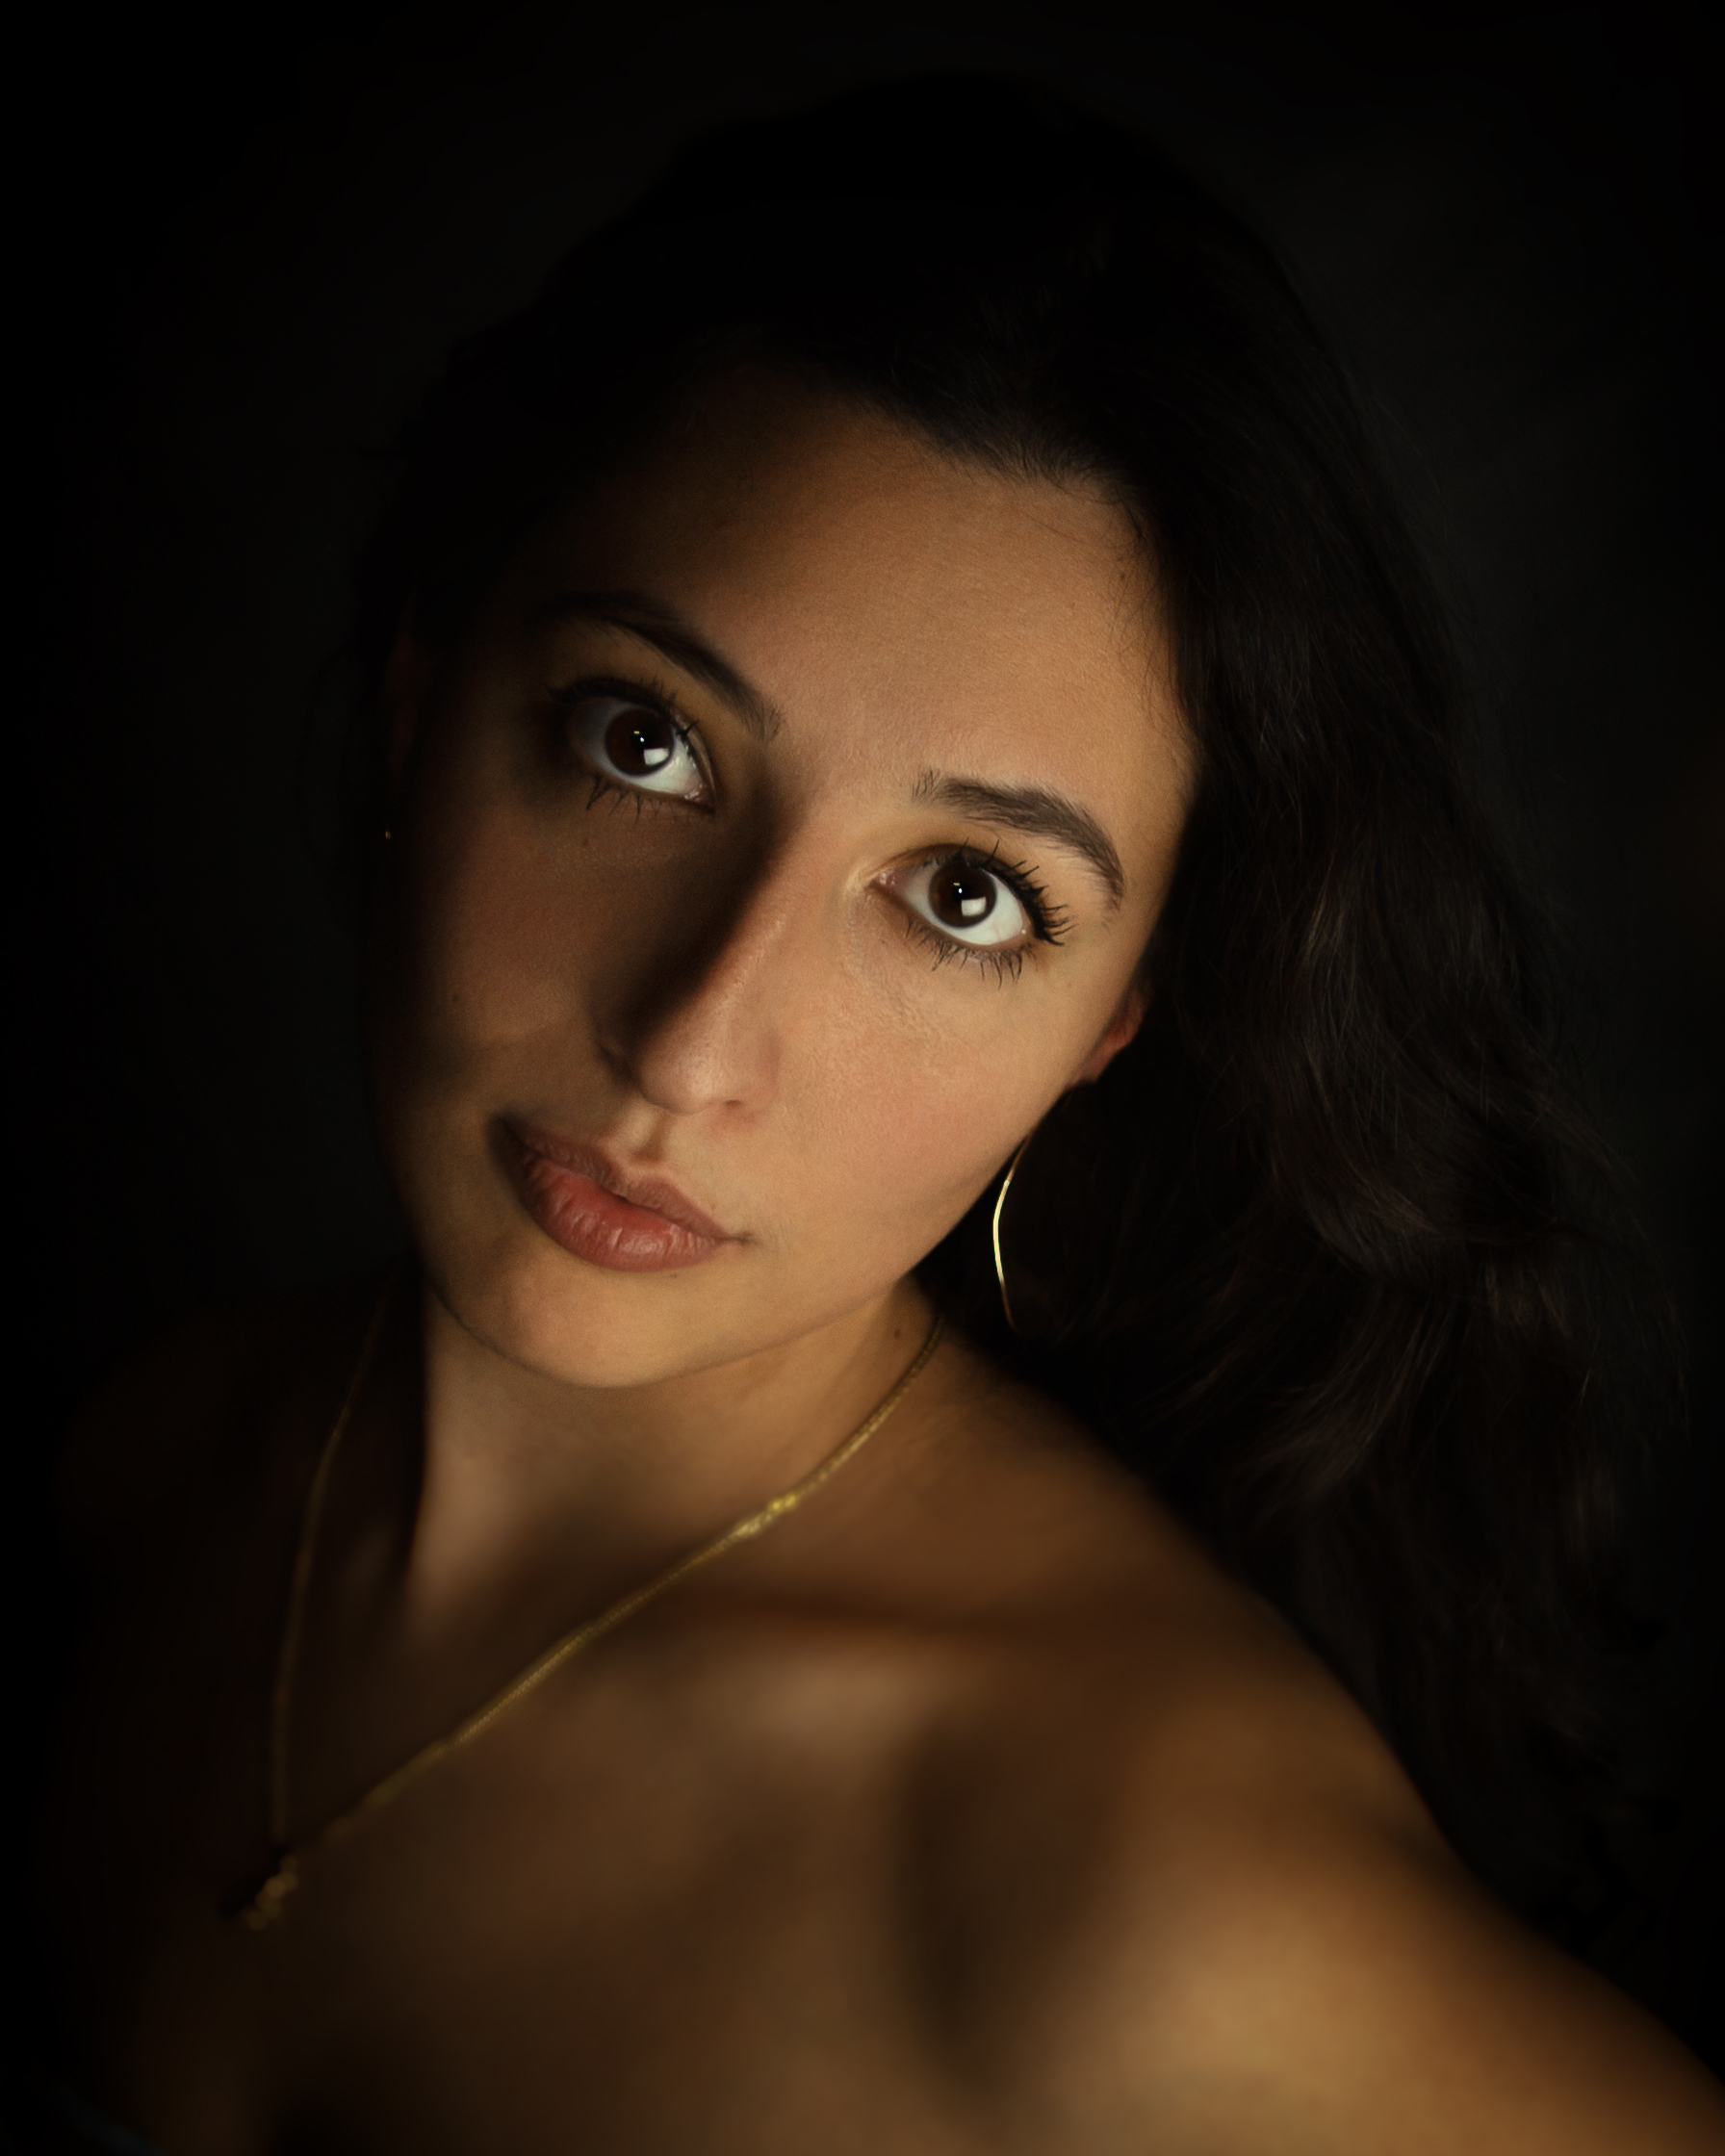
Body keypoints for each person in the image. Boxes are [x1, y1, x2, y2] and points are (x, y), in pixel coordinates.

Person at [25, 73, 1724, 2155]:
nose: (691, 1043)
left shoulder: (1153, 1910)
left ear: (1111, 1026)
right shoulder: (145, 1474)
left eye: (965, 897)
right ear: (419, 701)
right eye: (641, 742)